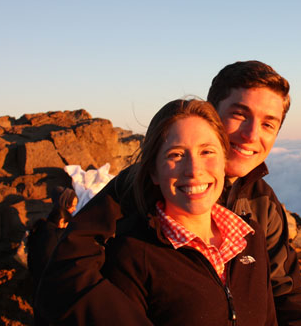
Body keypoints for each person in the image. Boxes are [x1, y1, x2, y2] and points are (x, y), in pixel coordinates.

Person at [38, 61, 301, 325]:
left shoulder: (261, 206)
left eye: (268, 124)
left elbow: (285, 293)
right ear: (211, 114)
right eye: (238, 115)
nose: (251, 134)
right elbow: (71, 278)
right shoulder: (138, 201)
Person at [101, 99, 276, 324]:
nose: (194, 170)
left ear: (224, 160)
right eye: (176, 155)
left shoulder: (250, 237)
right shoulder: (133, 255)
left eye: (207, 152)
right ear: (153, 171)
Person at [27, 205, 73, 325]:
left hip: (37, 282)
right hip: (51, 285)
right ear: (62, 221)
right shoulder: (55, 235)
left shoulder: (38, 230)